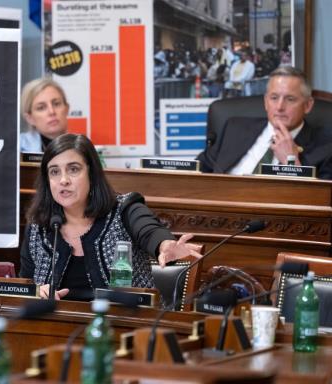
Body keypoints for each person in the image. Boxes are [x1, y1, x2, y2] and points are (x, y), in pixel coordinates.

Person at [20, 134, 202, 300]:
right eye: (54, 171)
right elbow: (26, 285)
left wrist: (164, 245)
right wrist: (37, 293)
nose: (63, 180)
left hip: (126, 326)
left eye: (73, 169)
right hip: (57, 329)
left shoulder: (124, 209)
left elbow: (149, 230)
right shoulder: (39, 226)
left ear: (91, 174)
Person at [197, 66, 332, 177]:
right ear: (266, 102)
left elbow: (320, 203)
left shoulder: (325, 149)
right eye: (274, 98)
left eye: (290, 99)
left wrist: (290, 161)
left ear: (308, 105)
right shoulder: (235, 128)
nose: (280, 107)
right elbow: (197, 170)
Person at [20, 77, 69, 152]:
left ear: (66, 109)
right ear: (30, 118)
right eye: (41, 107)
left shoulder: (82, 148)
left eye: (56, 104)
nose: (52, 112)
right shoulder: (17, 147)